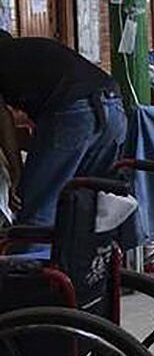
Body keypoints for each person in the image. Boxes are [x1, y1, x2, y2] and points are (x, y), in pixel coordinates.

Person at [0, 30, 127, 229]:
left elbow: (3, 121)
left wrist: (17, 172)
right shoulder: (27, 50)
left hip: (74, 111)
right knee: (87, 206)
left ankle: (30, 258)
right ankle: (84, 258)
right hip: (113, 105)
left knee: (36, 211)